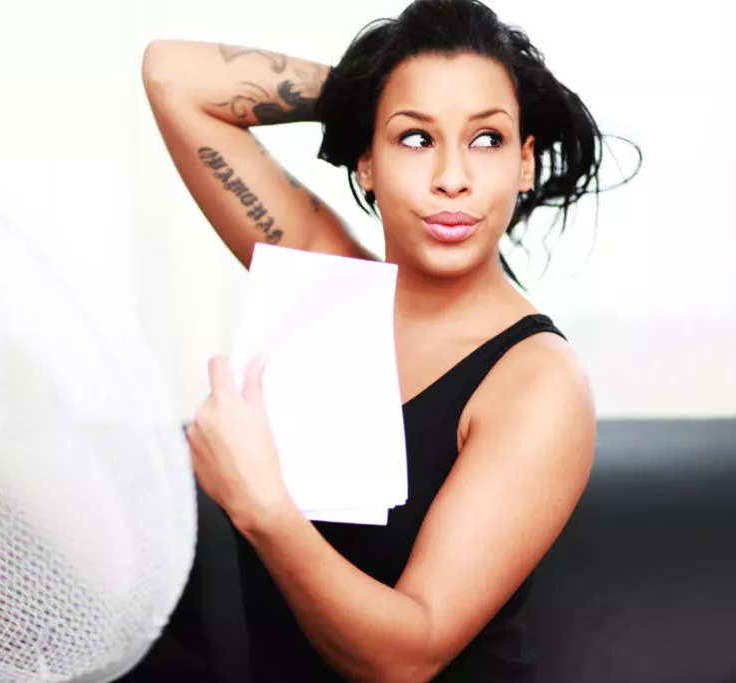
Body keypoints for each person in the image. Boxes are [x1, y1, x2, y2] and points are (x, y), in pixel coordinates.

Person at [142, 1, 638, 680]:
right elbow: (173, 76)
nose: (453, 177)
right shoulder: (327, 287)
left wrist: (264, 508)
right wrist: (372, 96)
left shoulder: (539, 381)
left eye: (486, 139)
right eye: (415, 139)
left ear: (524, 164)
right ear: (366, 161)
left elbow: (410, 655)